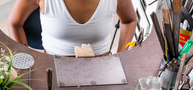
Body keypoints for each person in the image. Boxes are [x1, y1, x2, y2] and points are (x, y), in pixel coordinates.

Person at [8, 0, 137, 56]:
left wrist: (121, 57)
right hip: (53, 65)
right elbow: (14, 23)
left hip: (101, 66)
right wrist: (23, 60)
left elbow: (129, 20)